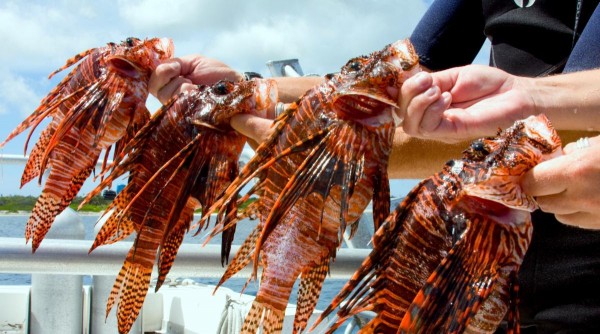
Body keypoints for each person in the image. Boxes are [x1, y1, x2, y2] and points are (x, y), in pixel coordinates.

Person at [148, 1, 600, 331]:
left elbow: (566, 130)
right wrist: (249, 88)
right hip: (471, 286)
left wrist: (300, 141)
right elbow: (390, 79)